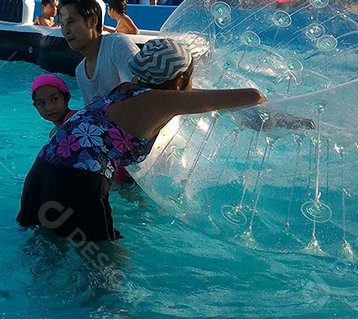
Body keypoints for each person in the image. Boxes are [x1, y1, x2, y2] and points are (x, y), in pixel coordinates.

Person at [17, 38, 265, 245]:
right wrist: (267, 104)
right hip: (80, 179)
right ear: (178, 81)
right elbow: (251, 95)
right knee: (106, 266)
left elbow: (199, 97)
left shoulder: (126, 89)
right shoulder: (162, 102)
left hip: (43, 171)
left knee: (47, 249)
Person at [58, 0, 139, 105]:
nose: (65, 30)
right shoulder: (80, 71)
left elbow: (144, 90)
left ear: (92, 21)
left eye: (71, 22)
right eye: (62, 24)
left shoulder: (116, 45)